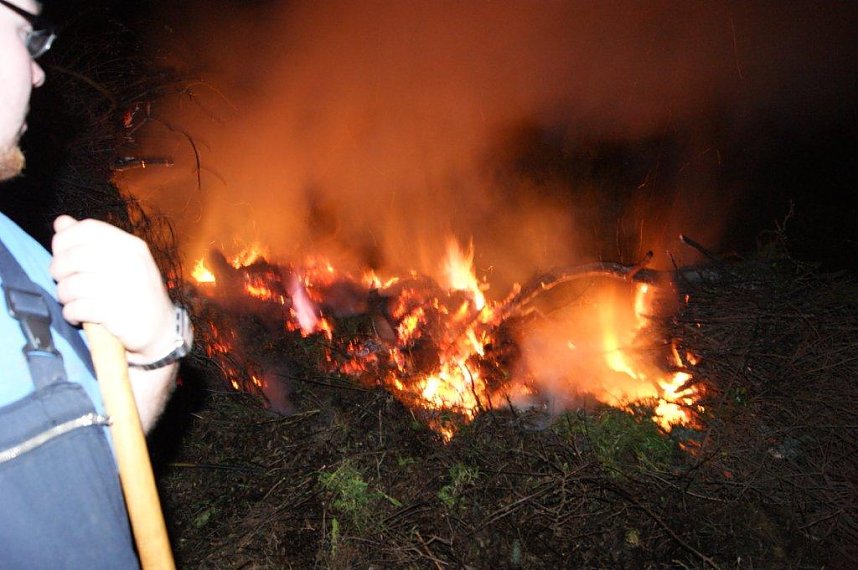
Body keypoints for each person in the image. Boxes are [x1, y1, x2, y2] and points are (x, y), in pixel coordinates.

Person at [0, 0, 191, 566]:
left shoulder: (22, 259)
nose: (38, 70)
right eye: (22, 31)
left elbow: (89, 461)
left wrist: (155, 350)